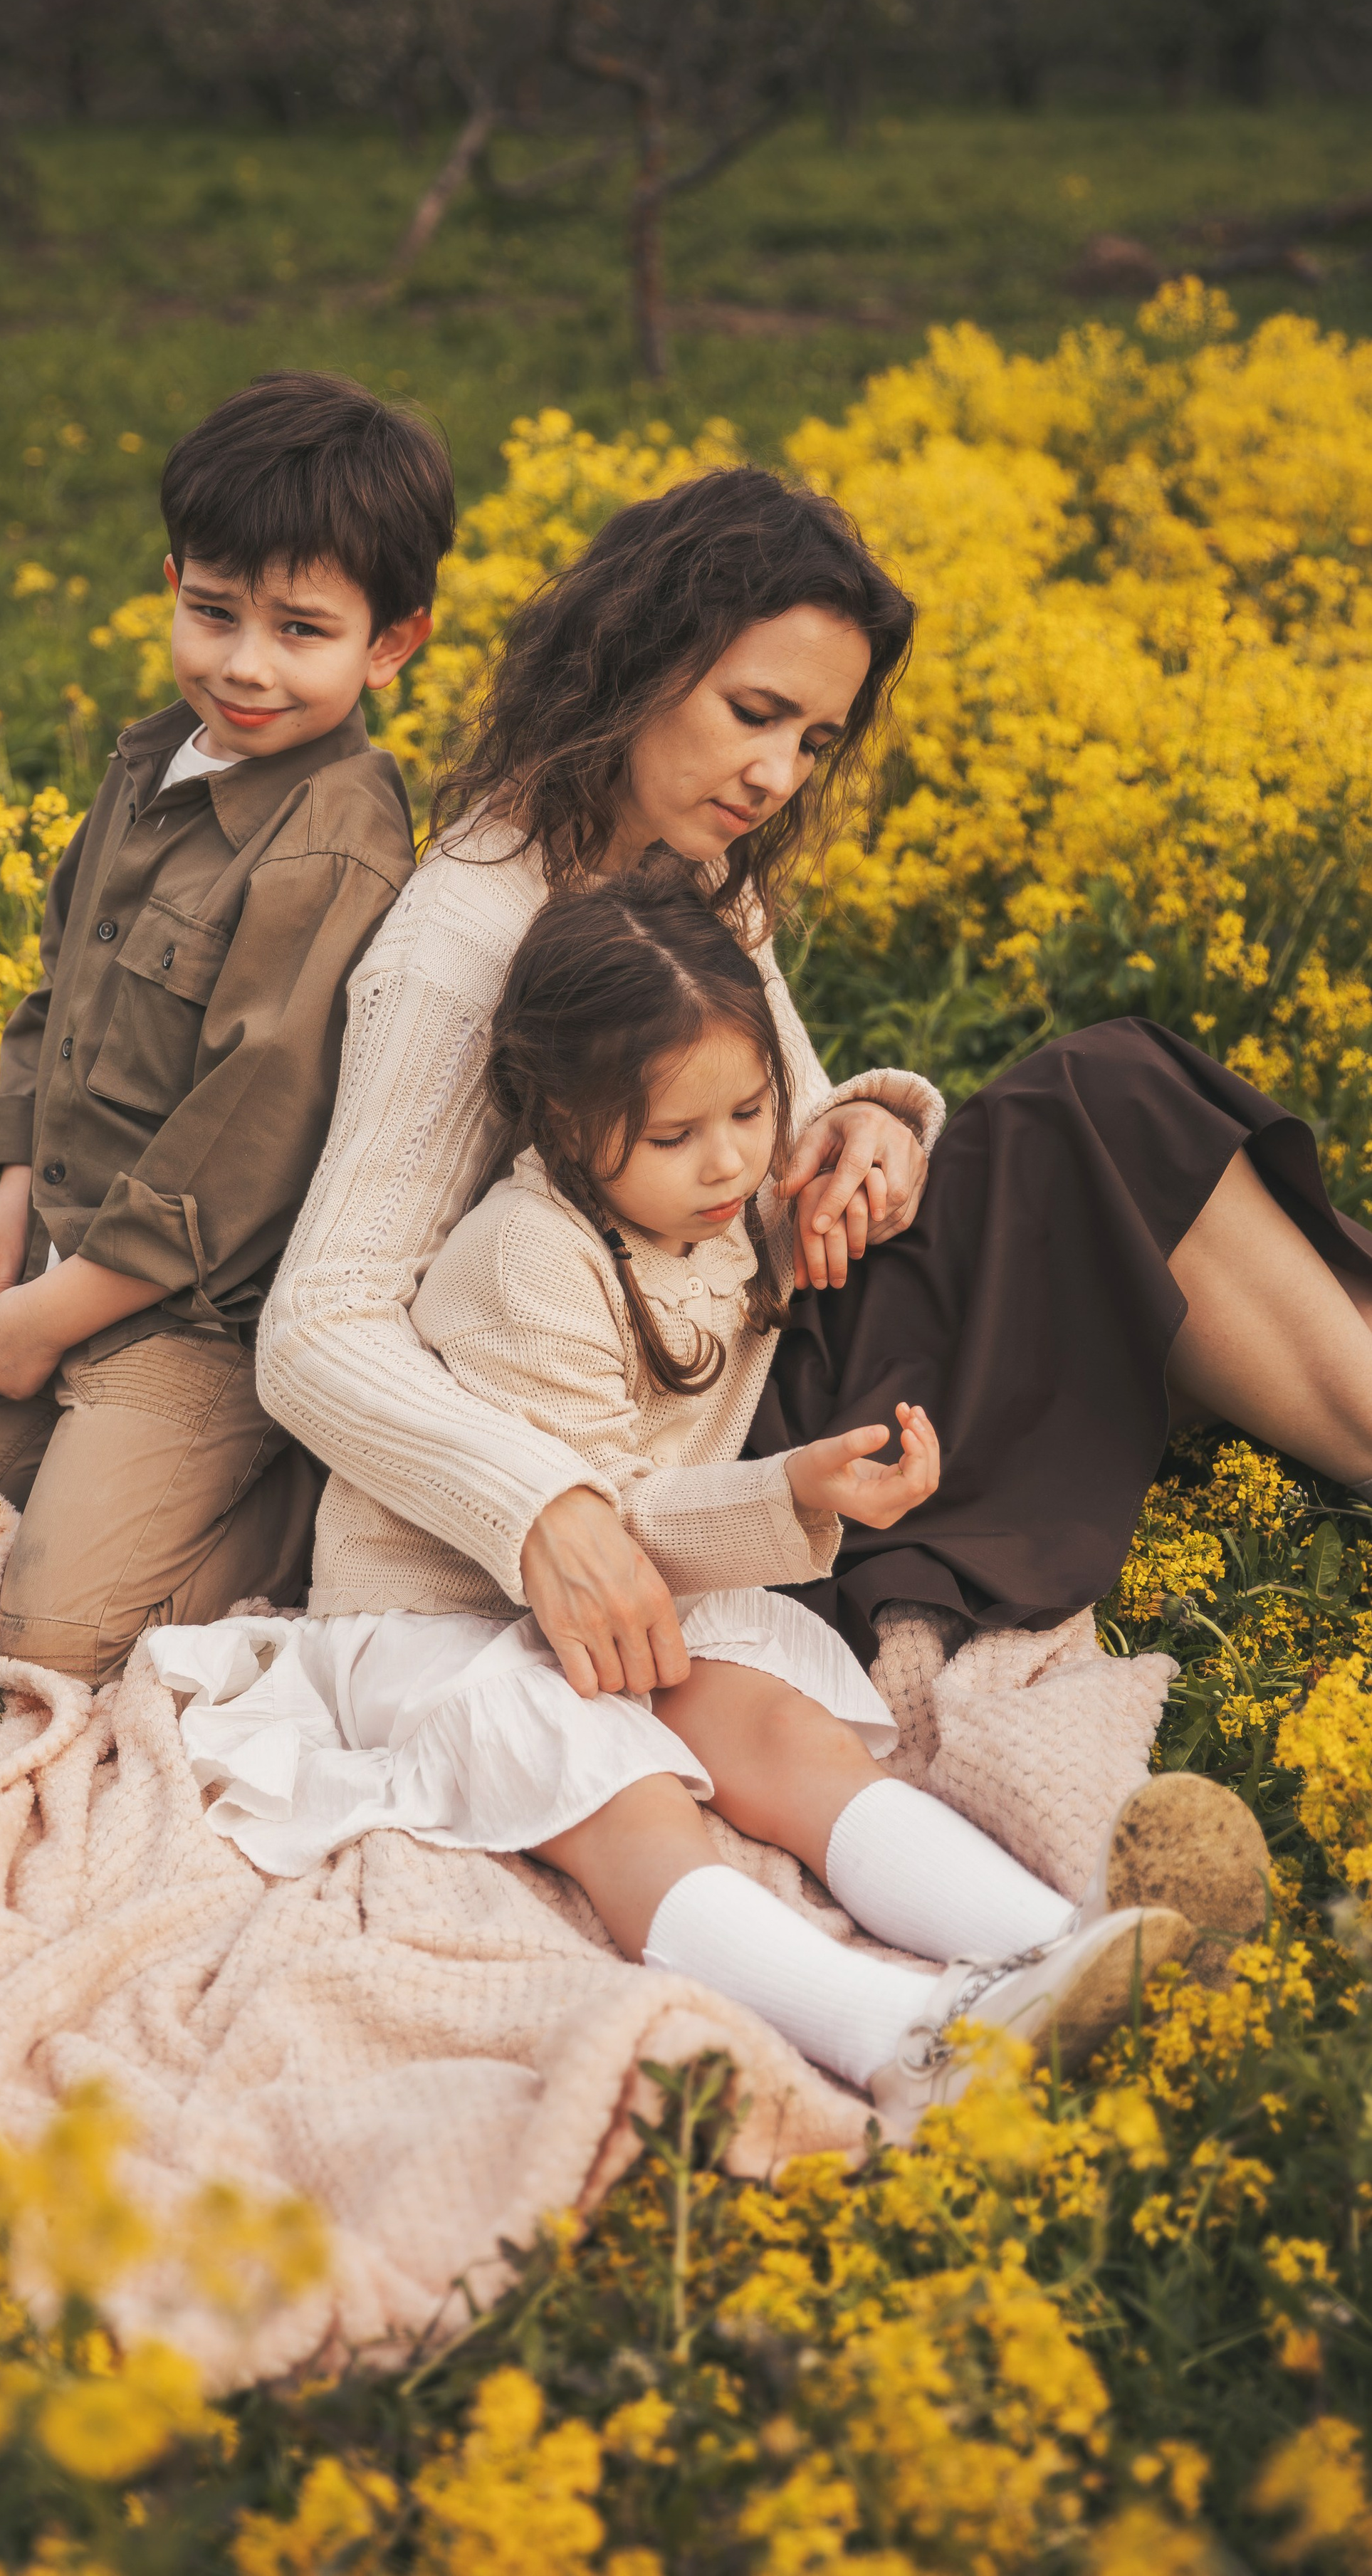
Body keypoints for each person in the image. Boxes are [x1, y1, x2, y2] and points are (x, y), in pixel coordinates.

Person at [257, 463, 1372, 1811]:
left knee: (1122, 1098)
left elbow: (766, 1123)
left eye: (815, 741)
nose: (776, 775)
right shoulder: (465, 937)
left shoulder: (693, 871)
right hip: (723, 1457)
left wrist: (868, 1133)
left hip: (782, 1331)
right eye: (754, 714)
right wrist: (548, 1508)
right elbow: (317, 1325)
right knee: (1106, 1102)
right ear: (634, 663)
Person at [158, 869, 1202, 2134]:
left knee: (782, 1735)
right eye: (674, 1137)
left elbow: (839, 1145)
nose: (730, 1163)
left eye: (753, 1110)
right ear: (559, 1125)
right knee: (614, 1791)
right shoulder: (530, 1259)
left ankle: (1058, 1946)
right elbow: (590, 1518)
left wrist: (875, 1124)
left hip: (639, 1593)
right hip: (455, 1610)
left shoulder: (724, 1193)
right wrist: (792, 1492)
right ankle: (897, 2037)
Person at [0, 371, 454, 1675]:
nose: (244, 664)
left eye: (302, 631)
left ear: (392, 644)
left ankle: (302, 1501)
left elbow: (243, 1143)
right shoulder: (155, 763)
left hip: (201, 1322)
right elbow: (64, 989)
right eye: (213, 613)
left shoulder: (331, 846)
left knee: (49, 1642)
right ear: (171, 585)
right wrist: (15, 1190)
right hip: (68, 1250)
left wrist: (44, 1321)